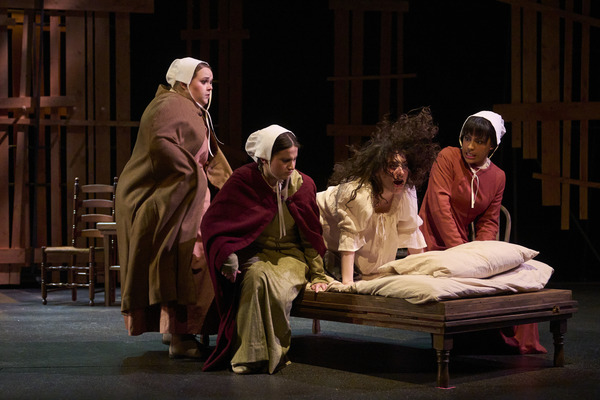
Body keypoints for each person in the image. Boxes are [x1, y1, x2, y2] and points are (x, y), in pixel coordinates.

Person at [115, 57, 232, 359]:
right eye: (203, 82)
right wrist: (193, 176)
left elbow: (211, 156)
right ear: (182, 83)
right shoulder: (169, 106)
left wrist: (232, 187)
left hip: (185, 196)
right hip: (169, 199)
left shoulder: (192, 109)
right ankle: (182, 337)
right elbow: (161, 145)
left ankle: (173, 330)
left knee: (182, 262)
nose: (210, 88)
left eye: (211, 82)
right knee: (189, 261)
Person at [200, 124, 329, 374]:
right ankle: (250, 354)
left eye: (294, 159)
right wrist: (227, 253)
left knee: (273, 287)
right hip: (256, 254)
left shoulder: (303, 185)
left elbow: (311, 235)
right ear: (264, 159)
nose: (291, 166)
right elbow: (216, 222)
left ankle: (273, 353)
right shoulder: (245, 181)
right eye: (285, 160)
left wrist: (319, 275)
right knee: (255, 278)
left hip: (291, 257)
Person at [419, 110, 546, 354]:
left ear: (492, 146)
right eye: (467, 138)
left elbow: (489, 222)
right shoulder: (448, 157)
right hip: (433, 240)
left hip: (464, 246)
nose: (470, 146)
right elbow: (439, 206)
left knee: (514, 277)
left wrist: (484, 259)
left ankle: (505, 336)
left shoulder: (498, 177)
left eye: (479, 141)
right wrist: (462, 253)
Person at [317, 108, 439, 284]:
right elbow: (349, 240)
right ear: (376, 170)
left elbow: (411, 232)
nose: (400, 172)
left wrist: (422, 277)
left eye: (405, 165)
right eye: (392, 165)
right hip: (318, 224)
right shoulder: (357, 195)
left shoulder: (406, 193)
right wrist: (348, 285)